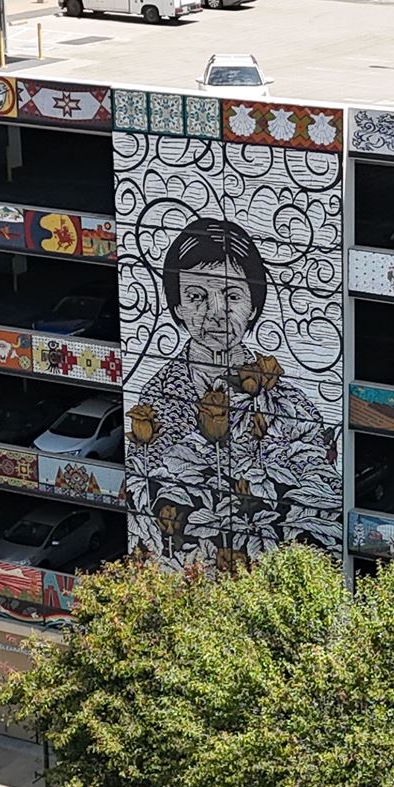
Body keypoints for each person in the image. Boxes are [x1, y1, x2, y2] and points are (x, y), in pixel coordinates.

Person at [122, 216, 339, 563]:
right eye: (196, 296)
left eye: (231, 294)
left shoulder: (289, 403)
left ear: (253, 304)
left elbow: (321, 499)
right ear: (176, 305)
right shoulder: (156, 399)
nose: (215, 313)